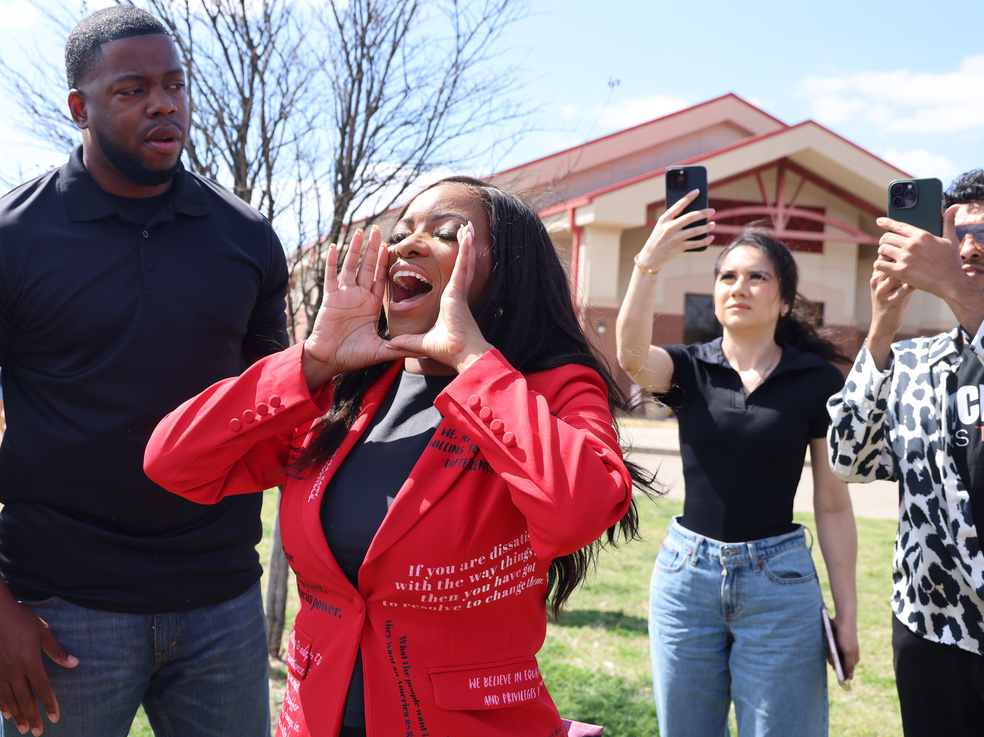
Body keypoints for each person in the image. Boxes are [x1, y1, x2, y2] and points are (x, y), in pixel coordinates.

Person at [144, 176, 647, 737]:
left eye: (445, 232)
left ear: (506, 276)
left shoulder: (553, 391)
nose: (407, 244)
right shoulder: (342, 393)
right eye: (402, 232)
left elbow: (578, 512)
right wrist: (312, 359)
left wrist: (475, 364)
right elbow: (173, 461)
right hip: (314, 719)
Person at [0, 7, 288, 737]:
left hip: (221, 602)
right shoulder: (14, 238)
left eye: (174, 84)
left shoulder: (246, 238)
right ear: (80, 108)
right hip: (60, 611)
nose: (164, 102)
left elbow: (278, 412)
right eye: (132, 89)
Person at [617, 191, 859, 737]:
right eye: (727, 277)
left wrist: (847, 614)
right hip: (685, 580)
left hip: (781, 584)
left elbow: (833, 503)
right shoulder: (688, 368)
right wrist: (647, 264)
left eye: (756, 278)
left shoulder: (816, 381)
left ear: (784, 301)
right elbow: (632, 355)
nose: (738, 288)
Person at [828, 168, 984, 736]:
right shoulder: (917, 362)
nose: (966, 247)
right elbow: (849, 459)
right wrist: (882, 328)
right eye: (953, 235)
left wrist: (958, 291)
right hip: (933, 630)